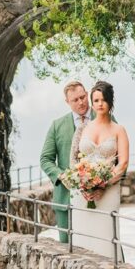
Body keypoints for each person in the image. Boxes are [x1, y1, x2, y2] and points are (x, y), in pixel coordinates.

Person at [68, 81, 129, 260]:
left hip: (108, 192)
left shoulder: (119, 130)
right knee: (83, 238)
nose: (99, 104)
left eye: (103, 100)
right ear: (92, 103)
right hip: (82, 193)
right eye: (95, 100)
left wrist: (103, 184)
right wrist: (83, 185)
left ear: (110, 102)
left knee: (106, 237)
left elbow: (123, 163)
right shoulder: (82, 129)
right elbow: (73, 160)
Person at [40, 81, 91, 243]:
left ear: (87, 94)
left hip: (98, 198)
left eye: (83, 97)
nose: (81, 102)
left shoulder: (104, 117)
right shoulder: (57, 125)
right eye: (75, 100)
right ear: (67, 102)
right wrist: (61, 175)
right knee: (68, 251)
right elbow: (45, 159)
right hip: (65, 199)